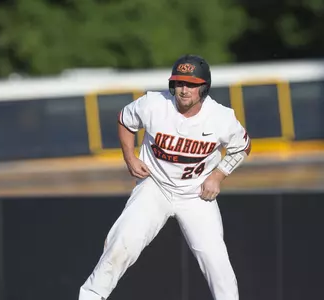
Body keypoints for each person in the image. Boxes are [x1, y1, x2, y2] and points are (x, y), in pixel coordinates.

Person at [79, 54, 251, 300]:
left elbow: (242, 146)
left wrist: (219, 175)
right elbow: (125, 120)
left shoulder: (221, 118)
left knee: (216, 263)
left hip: (196, 193)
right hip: (155, 186)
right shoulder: (154, 104)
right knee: (121, 244)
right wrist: (129, 156)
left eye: (192, 84)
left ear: (204, 88)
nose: (184, 89)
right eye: (180, 83)